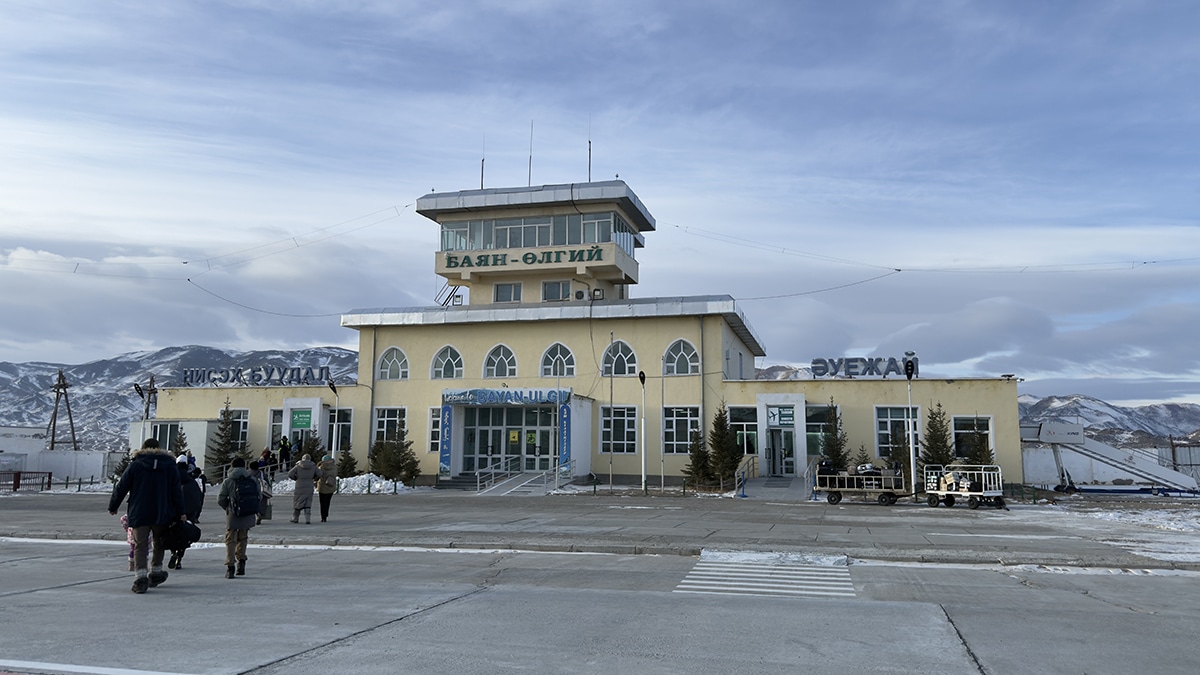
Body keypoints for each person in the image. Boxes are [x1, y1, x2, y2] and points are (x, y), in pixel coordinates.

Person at [108, 438, 185, 594]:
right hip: (163, 511)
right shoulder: (170, 465)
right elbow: (176, 490)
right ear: (159, 449)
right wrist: (181, 511)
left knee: (140, 546)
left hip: (139, 511)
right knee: (159, 542)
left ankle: (141, 579)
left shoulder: (136, 464)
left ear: (143, 448)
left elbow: (122, 486)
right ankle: (156, 573)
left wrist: (113, 506)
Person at [216, 457, 259, 579]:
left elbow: (220, 499)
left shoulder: (228, 481)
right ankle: (242, 562)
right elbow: (259, 496)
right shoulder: (252, 480)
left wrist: (228, 508)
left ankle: (230, 567)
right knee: (243, 537)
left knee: (230, 539)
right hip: (248, 512)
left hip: (233, 513)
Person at [168, 454, 205, 570]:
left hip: (173, 512)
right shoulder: (192, 482)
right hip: (189, 513)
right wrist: (196, 513)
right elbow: (198, 499)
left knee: (172, 533)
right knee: (185, 535)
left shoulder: (171, 480)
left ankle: (173, 551)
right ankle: (180, 555)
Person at [287, 453, 321, 524]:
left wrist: (296, 478)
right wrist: (314, 477)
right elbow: (320, 473)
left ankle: (295, 518)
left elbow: (290, 474)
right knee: (308, 501)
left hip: (299, 484)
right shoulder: (313, 466)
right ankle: (307, 519)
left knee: (298, 501)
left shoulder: (298, 466)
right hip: (309, 484)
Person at [249, 459, 273, 525]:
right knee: (261, 503)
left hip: (251, 490)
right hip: (261, 490)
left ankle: (253, 515)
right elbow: (267, 481)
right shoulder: (262, 473)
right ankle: (259, 514)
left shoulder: (248, 474)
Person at [316, 454, 337, 522]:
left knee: (322, 502)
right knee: (328, 502)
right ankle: (326, 514)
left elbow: (318, 475)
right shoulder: (334, 467)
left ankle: (323, 516)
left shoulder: (321, 467)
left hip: (322, 486)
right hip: (330, 486)